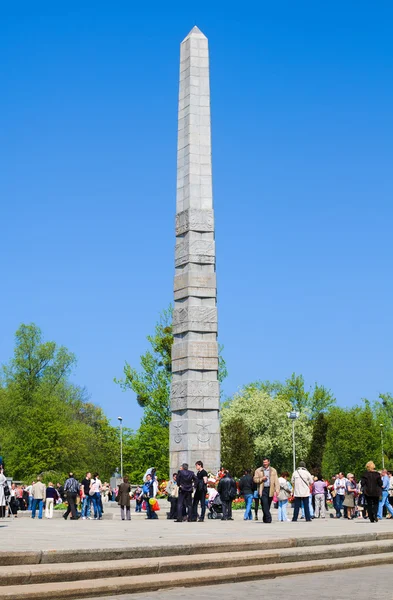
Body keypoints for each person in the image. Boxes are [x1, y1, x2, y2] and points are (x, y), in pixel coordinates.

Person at [253, 457, 280, 523]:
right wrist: (261, 479)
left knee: (267, 504)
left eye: (266, 462)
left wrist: (277, 489)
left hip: (270, 489)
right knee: (264, 503)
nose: (265, 464)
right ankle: (268, 518)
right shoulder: (258, 470)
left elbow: (276, 481)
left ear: (269, 462)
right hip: (262, 489)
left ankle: (265, 518)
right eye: (263, 462)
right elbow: (255, 479)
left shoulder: (273, 470)